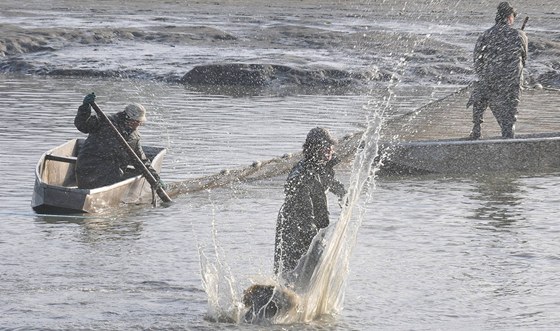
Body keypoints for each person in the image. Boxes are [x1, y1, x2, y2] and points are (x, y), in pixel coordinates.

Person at [273, 127, 346, 279]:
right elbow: (302, 210)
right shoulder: (301, 174)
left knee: (311, 269)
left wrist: (344, 195)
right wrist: (313, 237)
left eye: (330, 147)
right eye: (326, 147)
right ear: (314, 148)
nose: (330, 150)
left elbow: (330, 183)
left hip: (311, 225)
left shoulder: (320, 167)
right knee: (291, 270)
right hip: (294, 227)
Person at [74, 92, 164, 189]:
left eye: (140, 122)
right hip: (88, 168)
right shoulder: (105, 121)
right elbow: (82, 125)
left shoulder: (134, 137)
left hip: (111, 174)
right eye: (137, 122)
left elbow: (140, 161)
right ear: (128, 119)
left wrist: (155, 178)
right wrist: (85, 107)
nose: (139, 125)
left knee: (116, 174)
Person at [467, 1, 528, 139]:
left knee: (479, 92)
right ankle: (508, 141)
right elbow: (524, 60)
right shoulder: (520, 35)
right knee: (508, 120)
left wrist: (486, 76)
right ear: (510, 18)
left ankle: (476, 128)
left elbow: (477, 61)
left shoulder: (485, 35)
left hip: (490, 81)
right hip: (511, 84)